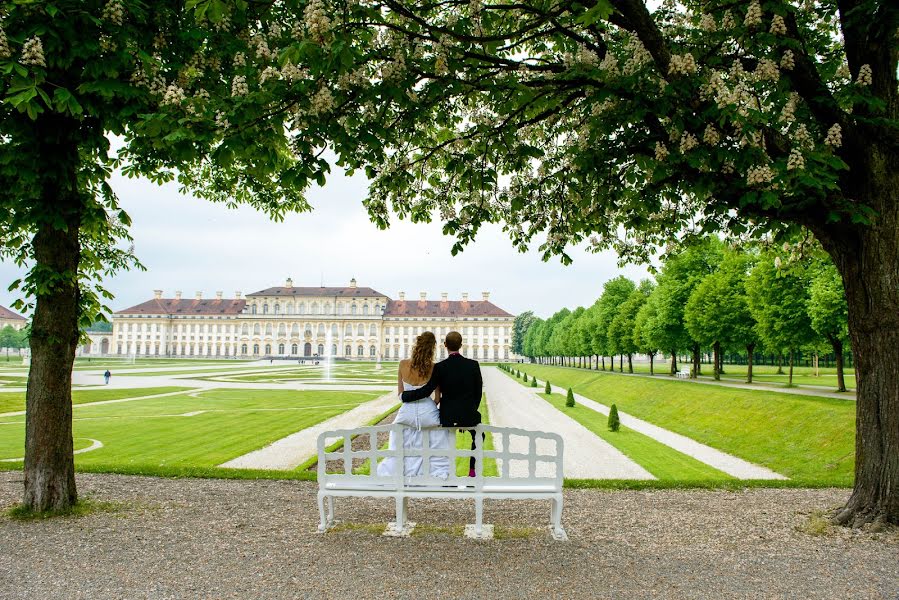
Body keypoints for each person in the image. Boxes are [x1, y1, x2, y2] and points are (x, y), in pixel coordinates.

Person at [401, 331, 483, 477]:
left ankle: (447, 472)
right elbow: (478, 393)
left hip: (447, 416)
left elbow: (427, 391)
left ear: (445, 345)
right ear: (461, 345)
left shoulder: (440, 367)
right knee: (479, 435)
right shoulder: (473, 365)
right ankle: (472, 470)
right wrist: (470, 411)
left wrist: (406, 396)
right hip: (469, 415)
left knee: (443, 438)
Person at [376, 332, 450, 480]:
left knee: (399, 433)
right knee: (438, 434)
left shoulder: (403, 364)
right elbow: (437, 398)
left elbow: (400, 395)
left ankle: (401, 470)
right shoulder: (434, 368)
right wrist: (428, 405)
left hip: (406, 413)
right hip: (428, 412)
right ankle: (431, 470)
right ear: (432, 349)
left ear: (416, 346)